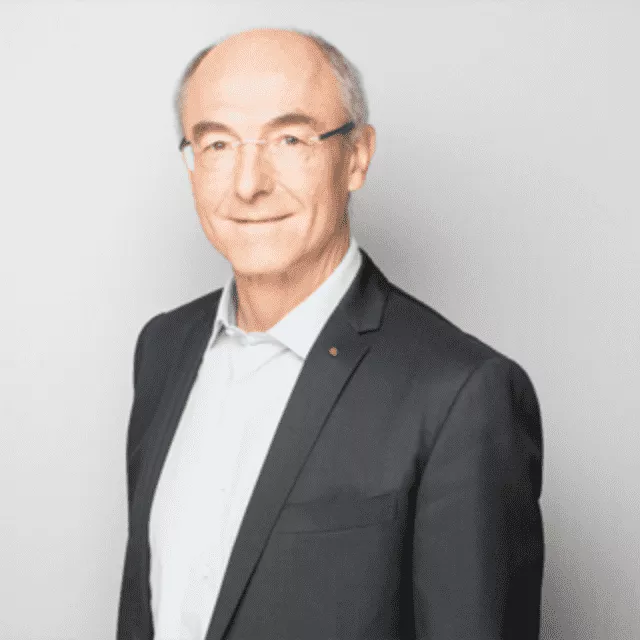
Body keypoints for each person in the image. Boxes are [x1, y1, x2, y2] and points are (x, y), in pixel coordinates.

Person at [116, 27, 544, 640]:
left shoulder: (461, 394)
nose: (248, 183)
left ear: (357, 156)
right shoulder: (163, 350)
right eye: (217, 144)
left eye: (289, 139)